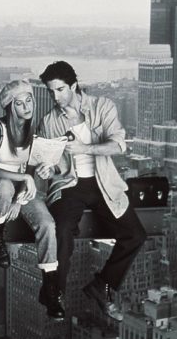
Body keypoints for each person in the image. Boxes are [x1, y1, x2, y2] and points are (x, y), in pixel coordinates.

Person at [37, 61, 146, 321]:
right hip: (68, 184)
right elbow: (51, 166)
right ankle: (55, 295)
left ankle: (103, 286)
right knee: (61, 231)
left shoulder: (102, 107)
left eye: (61, 90)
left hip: (103, 182)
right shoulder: (49, 121)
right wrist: (46, 171)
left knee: (135, 235)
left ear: (74, 86)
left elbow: (119, 145)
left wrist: (85, 149)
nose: (56, 97)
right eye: (51, 92)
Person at [0, 80, 64, 319]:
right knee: (3, 186)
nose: (26, 106)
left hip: (19, 192)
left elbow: (35, 174)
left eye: (29, 100)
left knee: (47, 224)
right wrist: (21, 176)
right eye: (19, 103)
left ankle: (50, 287)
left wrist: (46, 172)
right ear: (10, 107)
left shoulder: (36, 132)